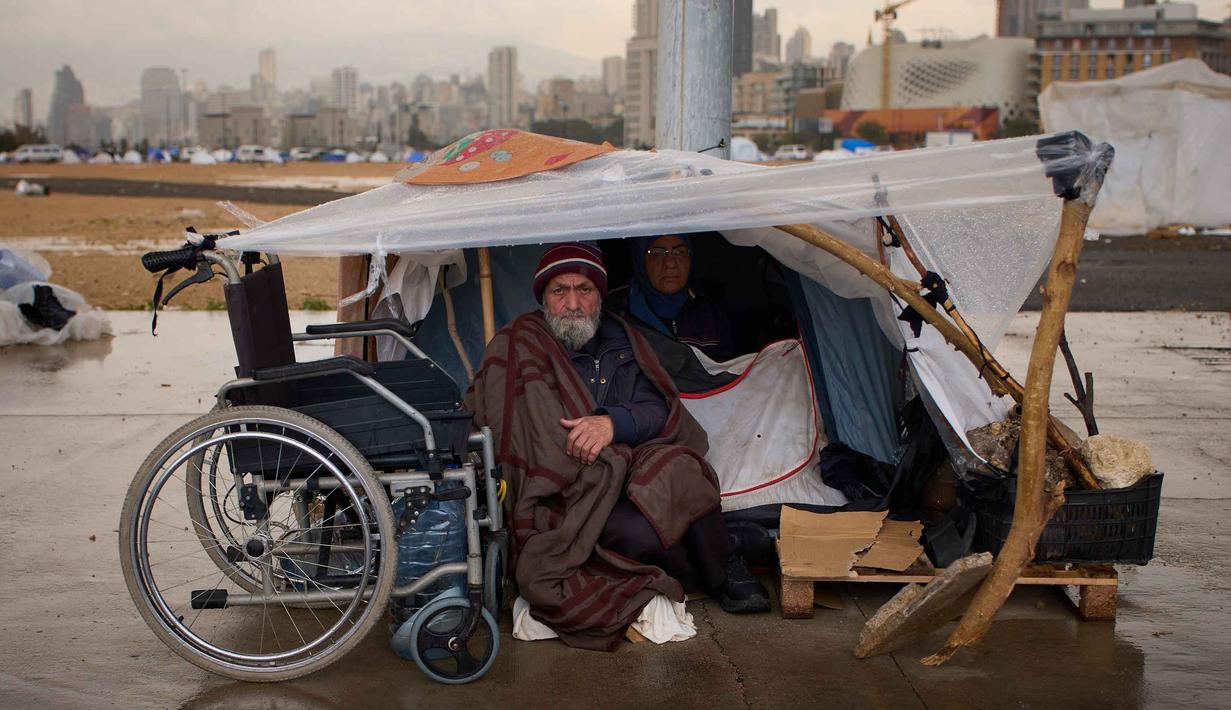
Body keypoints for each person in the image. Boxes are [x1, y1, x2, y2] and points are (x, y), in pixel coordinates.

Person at [465, 242, 769, 650]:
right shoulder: (519, 343)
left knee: (683, 469)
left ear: (600, 296)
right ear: (543, 298)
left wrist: (613, 423)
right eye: (560, 291)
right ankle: (724, 544)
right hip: (566, 487)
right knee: (635, 534)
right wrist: (586, 449)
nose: (573, 303)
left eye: (584, 290)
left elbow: (658, 408)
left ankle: (723, 571)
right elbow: (515, 430)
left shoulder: (623, 338)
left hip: (628, 463)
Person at [607, 234, 736, 362]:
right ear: (641, 259)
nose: (670, 263)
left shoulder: (709, 313)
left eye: (679, 252)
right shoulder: (615, 310)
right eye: (657, 253)